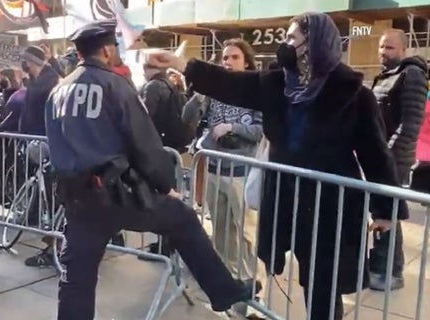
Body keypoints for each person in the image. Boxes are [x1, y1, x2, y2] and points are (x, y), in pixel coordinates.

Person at [146, 12, 407, 320]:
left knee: (322, 280)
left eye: (292, 38)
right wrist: (180, 64)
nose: (285, 44)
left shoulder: (352, 93)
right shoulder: (277, 84)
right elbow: (229, 83)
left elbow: (374, 152)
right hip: (285, 198)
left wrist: (385, 209)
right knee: (297, 268)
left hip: (330, 205)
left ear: (314, 44)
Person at [45, 19, 256, 320]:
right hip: (115, 195)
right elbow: (144, 143)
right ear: (106, 50)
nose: (117, 51)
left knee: (77, 278)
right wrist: (164, 184)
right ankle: (223, 291)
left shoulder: (58, 91)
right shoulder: (115, 86)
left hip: (76, 197)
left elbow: (56, 144)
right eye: (115, 47)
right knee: (181, 217)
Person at [182, 37, 266, 319]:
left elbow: (258, 131)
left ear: (247, 62)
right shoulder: (213, 92)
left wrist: (233, 126)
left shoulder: (255, 90)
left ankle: (251, 292)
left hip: (242, 173)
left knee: (244, 235)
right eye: (225, 58)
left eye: (234, 58)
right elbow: (187, 118)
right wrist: (197, 95)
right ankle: (228, 290)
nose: (228, 62)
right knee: (220, 234)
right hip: (215, 170)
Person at [369, 28, 429, 291]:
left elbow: (410, 124)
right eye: (381, 47)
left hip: (393, 160)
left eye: (390, 48)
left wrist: (387, 157)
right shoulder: (384, 76)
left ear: (403, 50)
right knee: (383, 211)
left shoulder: (412, 74)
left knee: (387, 211)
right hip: (379, 156)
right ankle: (384, 267)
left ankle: (390, 272)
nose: (383, 52)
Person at [18, 45, 60, 135]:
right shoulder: (32, 80)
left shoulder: (50, 80)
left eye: (25, 60)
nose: (23, 63)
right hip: (31, 134)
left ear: (32, 61)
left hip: (43, 134)